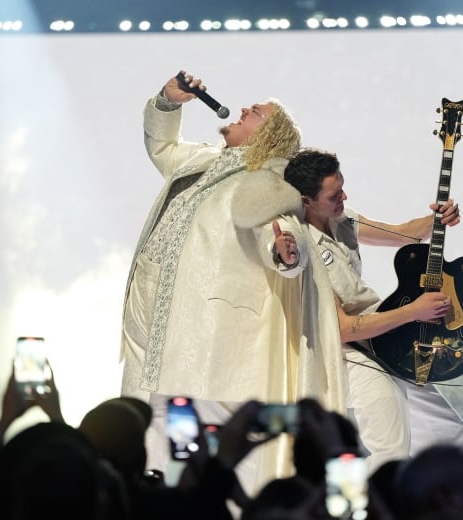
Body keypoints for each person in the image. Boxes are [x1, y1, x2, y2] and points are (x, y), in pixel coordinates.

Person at [119, 71, 347, 493]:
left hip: (205, 333)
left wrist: (285, 256)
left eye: (256, 112)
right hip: (152, 325)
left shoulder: (271, 180)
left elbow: (280, 231)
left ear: (272, 136)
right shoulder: (205, 160)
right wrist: (169, 101)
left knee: (196, 442)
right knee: (148, 429)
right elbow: (162, 146)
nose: (243, 109)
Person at [283, 148, 463, 472]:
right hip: (339, 352)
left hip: (382, 338)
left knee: (447, 431)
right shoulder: (298, 242)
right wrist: (413, 312)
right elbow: (341, 328)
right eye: (333, 195)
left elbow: (405, 233)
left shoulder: (341, 218)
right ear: (306, 200)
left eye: (342, 187)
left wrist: (439, 219)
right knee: (391, 445)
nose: (344, 196)